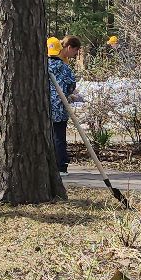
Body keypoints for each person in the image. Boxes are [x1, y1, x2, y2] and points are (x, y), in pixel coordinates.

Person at [46, 35, 81, 175]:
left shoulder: (42, 65)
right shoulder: (63, 67)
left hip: (43, 107)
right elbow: (72, 84)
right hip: (59, 107)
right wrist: (70, 93)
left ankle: (48, 165)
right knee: (59, 136)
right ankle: (61, 166)